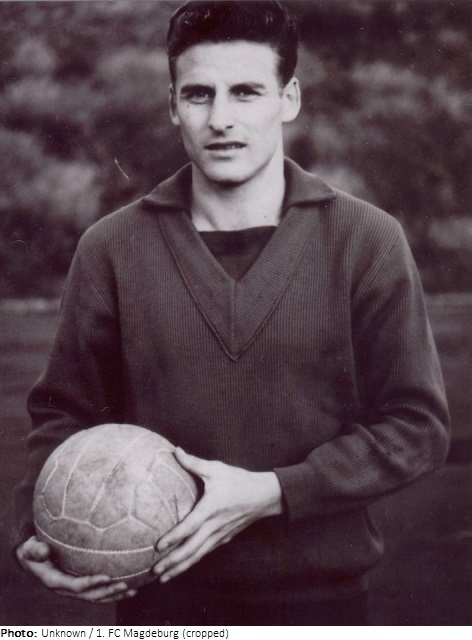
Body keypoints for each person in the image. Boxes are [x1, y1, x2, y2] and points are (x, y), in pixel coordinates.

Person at [14, 0, 449, 626]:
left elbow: (416, 427)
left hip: (319, 607)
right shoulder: (111, 247)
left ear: (288, 98)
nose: (220, 119)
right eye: (199, 94)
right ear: (173, 105)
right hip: (158, 608)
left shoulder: (366, 239)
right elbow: (64, 413)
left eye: (246, 92)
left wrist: (274, 492)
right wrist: (37, 527)